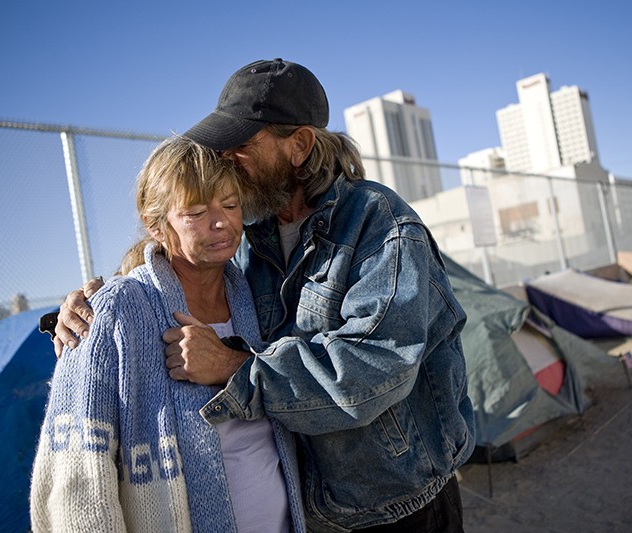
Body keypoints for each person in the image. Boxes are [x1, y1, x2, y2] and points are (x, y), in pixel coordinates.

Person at [53, 58, 475, 532]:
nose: (225, 157)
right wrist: (99, 296)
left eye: (242, 144)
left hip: (399, 508)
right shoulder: (254, 234)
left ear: (299, 145)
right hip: (310, 512)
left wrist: (234, 369)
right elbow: (180, 259)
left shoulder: (382, 229)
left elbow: (372, 373)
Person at [31, 136, 306, 532]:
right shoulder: (115, 311)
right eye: (195, 212)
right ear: (155, 225)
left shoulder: (254, 292)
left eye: (230, 205)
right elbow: (77, 479)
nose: (221, 223)